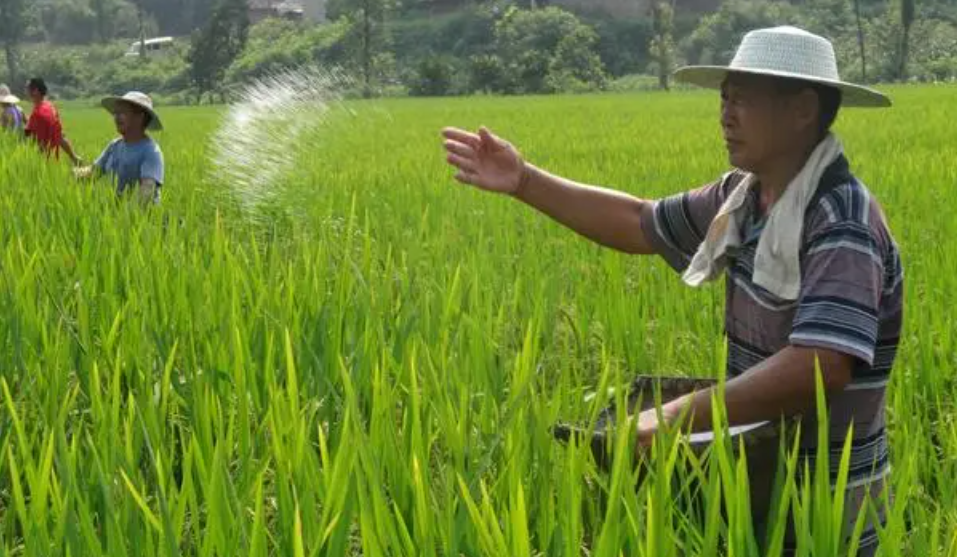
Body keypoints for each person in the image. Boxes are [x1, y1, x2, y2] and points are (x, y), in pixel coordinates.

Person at [441, 26, 900, 556]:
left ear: (801, 110)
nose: (725, 115)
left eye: (743, 100)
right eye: (724, 99)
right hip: (756, 482)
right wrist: (525, 181)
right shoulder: (744, 196)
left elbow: (822, 364)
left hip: (827, 508)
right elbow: (641, 222)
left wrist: (676, 415)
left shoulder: (840, 217)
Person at [74, 91, 165, 205]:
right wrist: (69, 175)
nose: (116, 117)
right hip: (115, 212)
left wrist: (124, 217)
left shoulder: (151, 151)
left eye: (122, 112)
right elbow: (93, 172)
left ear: (139, 117)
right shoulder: (115, 146)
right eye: (115, 113)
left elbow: (147, 191)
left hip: (141, 218)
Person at [24, 78, 82, 164]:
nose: (26, 91)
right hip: (54, 153)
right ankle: (75, 158)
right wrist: (73, 156)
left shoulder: (36, 113)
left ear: (35, 91)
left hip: (43, 156)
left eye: (27, 88)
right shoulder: (50, 106)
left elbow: (29, 136)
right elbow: (60, 136)